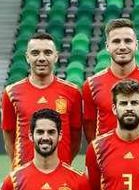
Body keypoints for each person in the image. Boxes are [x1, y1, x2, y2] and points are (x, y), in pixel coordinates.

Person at [2, 32, 82, 168]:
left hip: (61, 174)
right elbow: (9, 136)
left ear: (56, 56)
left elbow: (76, 139)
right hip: (25, 175)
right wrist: (21, 166)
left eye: (47, 53)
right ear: (27, 57)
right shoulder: (11, 92)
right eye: (35, 53)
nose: (41, 58)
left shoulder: (72, 92)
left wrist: (62, 162)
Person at [82, 18, 139, 140]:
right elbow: (89, 127)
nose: (122, 47)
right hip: (108, 156)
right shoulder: (91, 85)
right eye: (116, 41)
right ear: (107, 46)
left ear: (136, 45)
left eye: (128, 41)